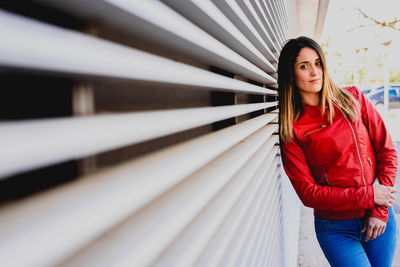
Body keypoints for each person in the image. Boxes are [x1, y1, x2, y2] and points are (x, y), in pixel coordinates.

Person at [278, 36, 399, 267]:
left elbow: (387, 151)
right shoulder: (292, 128)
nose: (315, 71)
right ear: (291, 74)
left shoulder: (353, 99)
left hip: (378, 216)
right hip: (335, 228)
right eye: (304, 66)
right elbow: (309, 194)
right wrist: (368, 195)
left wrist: (379, 209)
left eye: (318, 63)